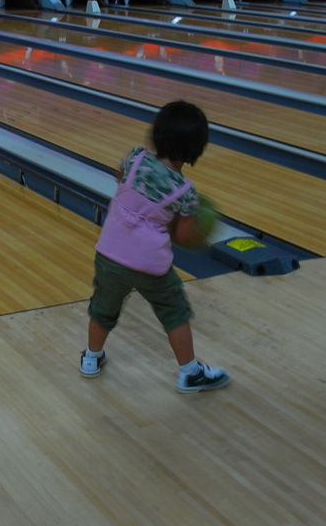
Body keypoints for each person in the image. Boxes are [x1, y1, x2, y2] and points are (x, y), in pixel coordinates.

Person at [80, 100, 230, 393]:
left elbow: (120, 179)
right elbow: (184, 237)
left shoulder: (135, 158)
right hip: (150, 264)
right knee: (175, 313)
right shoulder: (187, 194)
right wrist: (199, 231)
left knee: (103, 308)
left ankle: (91, 358)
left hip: (110, 253)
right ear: (195, 149)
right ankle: (190, 373)